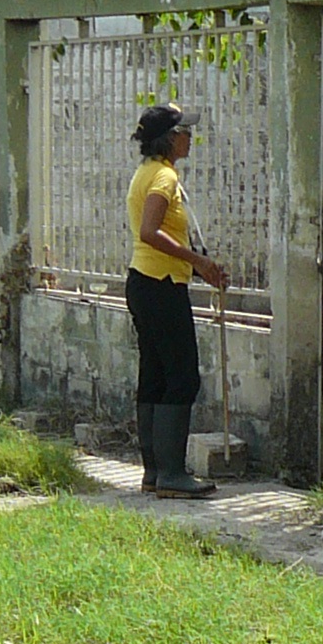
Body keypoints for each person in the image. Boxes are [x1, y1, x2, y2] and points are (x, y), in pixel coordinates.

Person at [125, 103, 229, 497]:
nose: (190, 138)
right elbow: (151, 231)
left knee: (155, 375)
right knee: (183, 375)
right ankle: (171, 474)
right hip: (161, 283)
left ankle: (155, 472)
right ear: (170, 138)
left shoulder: (147, 173)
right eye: (185, 131)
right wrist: (199, 261)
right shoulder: (164, 178)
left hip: (144, 281)